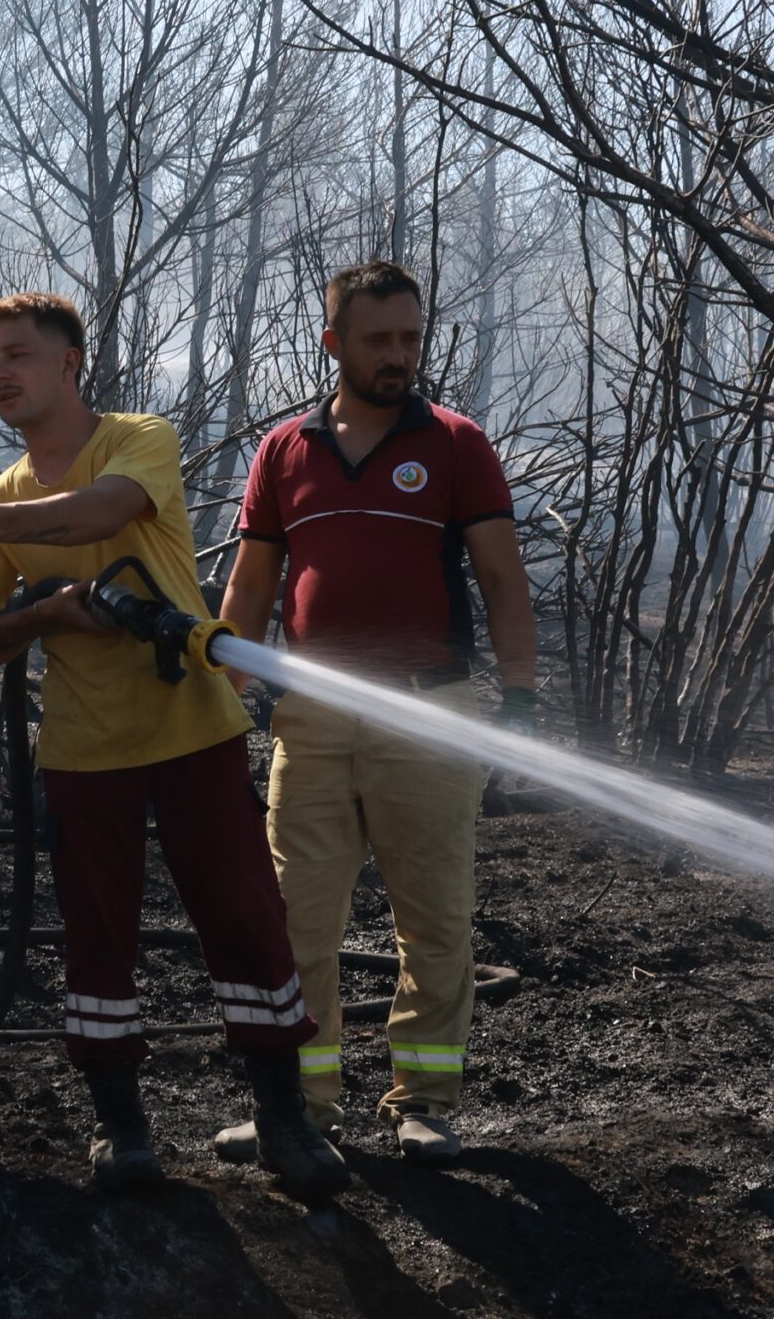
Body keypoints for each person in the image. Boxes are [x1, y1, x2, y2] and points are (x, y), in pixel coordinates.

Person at [0, 292, 347, 1203]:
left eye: (18, 355)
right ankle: (123, 1131)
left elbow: (102, 512)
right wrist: (41, 613)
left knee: (244, 915)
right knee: (97, 938)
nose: (0, 373)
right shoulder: (0, 497)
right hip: (83, 752)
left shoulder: (135, 438)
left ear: (70, 360)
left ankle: (283, 1118)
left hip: (191, 728)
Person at [216, 258, 537, 1166]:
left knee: (434, 916)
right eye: (378, 339)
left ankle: (425, 1099)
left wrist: (519, 698)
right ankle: (302, 1105)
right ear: (334, 344)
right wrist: (214, 702)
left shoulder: (457, 444)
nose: (399, 355)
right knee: (293, 918)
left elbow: (503, 578)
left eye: (410, 336)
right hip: (310, 719)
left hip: (427, 716)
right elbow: (250, 586)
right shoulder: (285, 452)